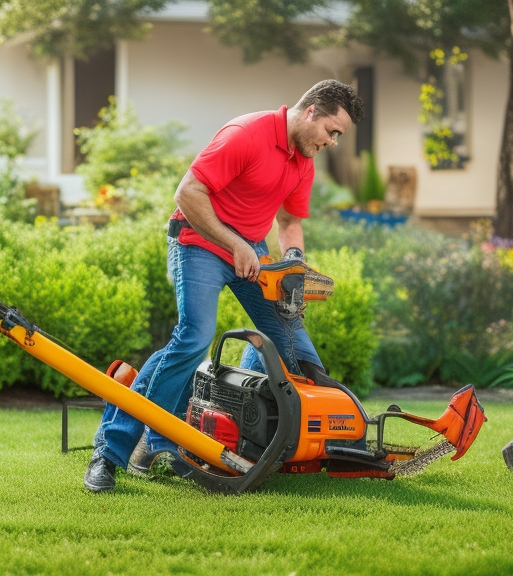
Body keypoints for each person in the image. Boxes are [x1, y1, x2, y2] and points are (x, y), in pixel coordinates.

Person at [84, 79, 364, 492]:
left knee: (292, 348)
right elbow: (187, 193)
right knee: (194, 337)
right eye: (332, 131)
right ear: (310, 112)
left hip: (250, 251)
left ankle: (252, 436)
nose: (333, 142)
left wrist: (293, 266)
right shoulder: (246, 134)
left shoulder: (303, 161)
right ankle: (113, 453)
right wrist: (235, 244)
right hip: (198, 242)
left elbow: (289, 222)